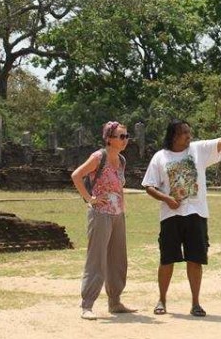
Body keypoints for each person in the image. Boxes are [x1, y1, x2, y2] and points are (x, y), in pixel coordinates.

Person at [142, 117, 221, 317]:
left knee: (195, 258)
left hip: (196, 214)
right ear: (174, 135)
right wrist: (167, 199)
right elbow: (149, 186)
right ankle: (162, 300)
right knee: (167, 259)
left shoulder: (198, 150)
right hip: (170, 216)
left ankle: (195, 303)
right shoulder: (160, 157)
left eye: (189, 132)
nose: (189, 136)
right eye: (184, 132)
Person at [70, 121, 137, 320]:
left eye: (126, 136)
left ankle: (115, 302)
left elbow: (119, 187)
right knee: (97, 259)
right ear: (109, 139)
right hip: (100, 214)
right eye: (121, 136)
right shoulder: (99, 157)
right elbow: (76, 175)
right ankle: (87, 305)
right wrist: (90, 199)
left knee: (117, 259)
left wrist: (123, 208)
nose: (125, 140)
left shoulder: (122, 160)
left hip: (117, 214)